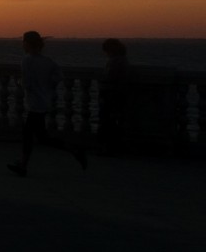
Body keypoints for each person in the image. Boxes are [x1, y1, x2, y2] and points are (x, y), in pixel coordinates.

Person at [7, 31, 87, 177]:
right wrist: (47, 86)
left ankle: (23, 165)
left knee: (30, 135)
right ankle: (73, 150)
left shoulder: (27, 61)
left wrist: (18, 82)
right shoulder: (48, 61)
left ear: (27, 44)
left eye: (23, 42)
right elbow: (58, 77)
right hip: (44, 102)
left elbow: (27, 83)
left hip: (34, 104)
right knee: (41, 137)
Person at [97, 38, 129, 155]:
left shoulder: (115, 61)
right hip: (116, 94)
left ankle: (108, 147)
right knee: (112, 121)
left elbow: (110, 77)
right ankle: (111, 147)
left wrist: (102, 80)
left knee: (107, 122)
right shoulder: (121, 60)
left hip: (111, 94)